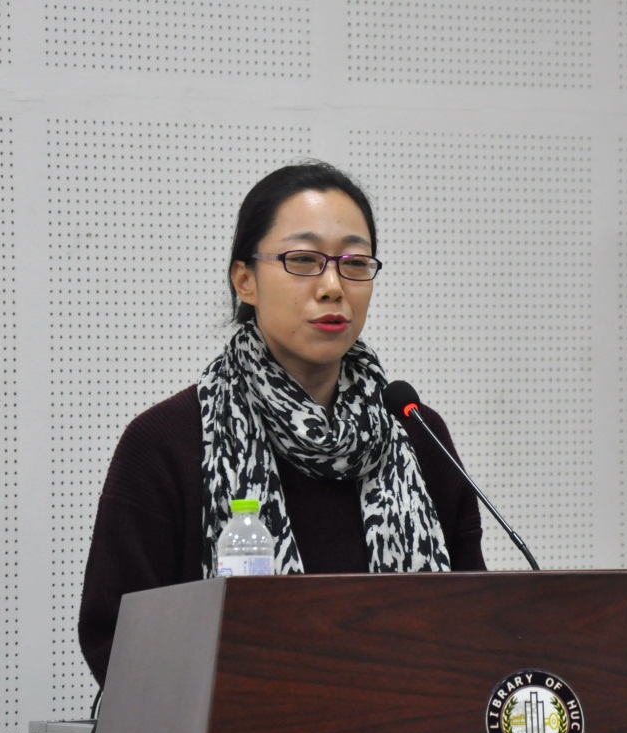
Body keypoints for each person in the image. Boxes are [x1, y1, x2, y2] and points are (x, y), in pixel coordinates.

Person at [78, 161, 485, 686]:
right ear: (245, 280)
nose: (333, 286)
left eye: (354, 263)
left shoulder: (416, 433)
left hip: (410, 729)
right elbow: (117, 641)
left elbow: (476, 625)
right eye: (304, 260)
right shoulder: (167, 444)